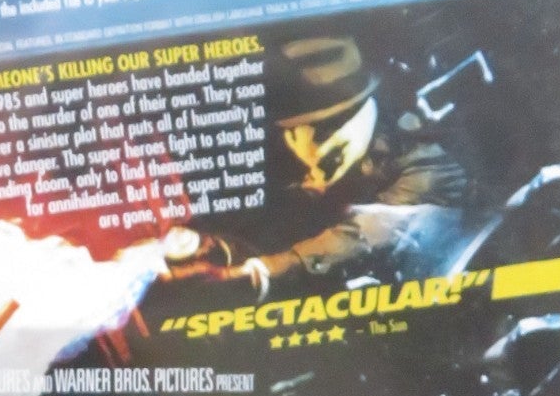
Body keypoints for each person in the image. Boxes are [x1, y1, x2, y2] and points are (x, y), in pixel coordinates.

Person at [171, 34, 474, 295]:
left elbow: (364, 236)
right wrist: (215, 247)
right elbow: (280, 216)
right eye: (292, 133)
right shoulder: (291, 145)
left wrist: (261, 273)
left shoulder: (426, 163)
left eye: (318, 132)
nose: (307, 153)